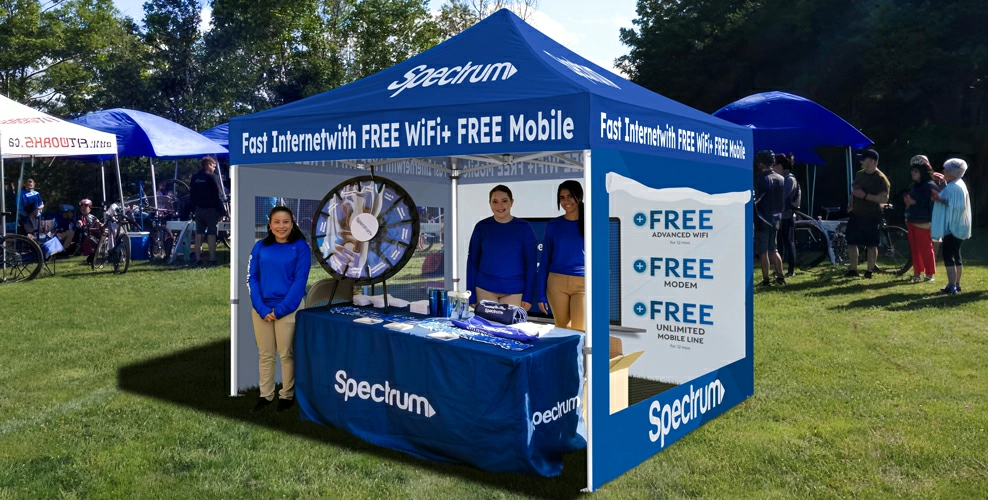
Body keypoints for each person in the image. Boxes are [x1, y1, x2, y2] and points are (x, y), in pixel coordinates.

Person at [247, 206, 311, 413]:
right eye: (277, 222)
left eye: (285, 222)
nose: (281, 226)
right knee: (265, 355)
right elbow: (252, 278)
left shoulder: (301, 247)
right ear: (270, 225)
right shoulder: (259, 247)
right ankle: (265, 396)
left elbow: (300, 282)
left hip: (288, 309)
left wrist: (281, 310)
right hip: (262, 310)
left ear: (292, 224)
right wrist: (261, 308)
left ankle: (287, 395)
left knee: (286, 355)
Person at [466, 185, 537, 309]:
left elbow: (531, 264)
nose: (499, 206)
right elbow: (472, 261)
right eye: (495, 202)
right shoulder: (481, 227)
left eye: (504, 201)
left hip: (514, 290)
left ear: (512, 202)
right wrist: (470, 293)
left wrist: (528, 295)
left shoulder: (525, 228)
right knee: (486, 328)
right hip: (485, 288)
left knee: (510, 328)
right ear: (490, 204)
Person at [536, 180, 586, 331]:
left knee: (579, 331)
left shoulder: (591, 222)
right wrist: (540, 294)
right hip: (556, 284)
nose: (566, 201)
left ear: (579, 196)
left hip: (583, 284)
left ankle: (580, 356)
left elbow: (602, 258)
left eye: (570, 196)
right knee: (561, 330)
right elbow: (544, 260)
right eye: (562, 197)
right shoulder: (553, 225)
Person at [844, 149, 890, 278]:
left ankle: (869, 271)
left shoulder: (881, 178)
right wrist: (851, 204)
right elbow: (855, 191)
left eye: (865, 159)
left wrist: (865, 196)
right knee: (851, 241)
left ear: (874, 161)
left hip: (872, 214)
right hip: (856, 213)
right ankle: (853, 269)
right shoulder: (859, 174)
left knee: (871, 244)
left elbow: (884, 198)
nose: (862, 162)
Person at [930, 159, 971, 295]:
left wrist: (939, 199)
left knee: (949, 256)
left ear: (952, 173)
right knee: (956, 255)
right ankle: (956, 284)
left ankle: (952, 285)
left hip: (953, 227)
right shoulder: (958, 184)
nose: (943, 172)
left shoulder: (953, 187)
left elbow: (956, 206)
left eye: (946, 170)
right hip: (959, 226)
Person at [901, 156, 939, 283]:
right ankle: (917, 273)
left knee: (926, 248)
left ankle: (929, 274)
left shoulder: (929, 185)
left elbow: (931, 202)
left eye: (916, 171)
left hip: (923, 221)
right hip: (912, 220)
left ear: (922, 172)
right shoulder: (915, 186)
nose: (913, 173)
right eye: (912, 171)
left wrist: (913, 202)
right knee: (915, 249)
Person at [753, 150, 786, 286]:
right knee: (774, 249)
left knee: (763, 251)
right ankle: (780, 277)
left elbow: (756, 200)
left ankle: (766, 279)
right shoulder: (781, 178)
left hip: (762, 218)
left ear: (761, 163)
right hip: (776, 219)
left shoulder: (761, 179)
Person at [188, 156, 227, 266]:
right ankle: (212, 257)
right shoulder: (213, 177)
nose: (214, 168)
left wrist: (192, 209)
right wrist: (222, 211)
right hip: (210, 209)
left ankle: (198, 257)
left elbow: (192, 195)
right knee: (211, 232)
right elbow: (217, 195)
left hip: (198, 209)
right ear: (208, 165)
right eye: (213, 166)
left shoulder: (195, 177)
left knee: (199, 232)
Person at [773, 153, 801, 277]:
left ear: (780, 166)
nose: (773, 168)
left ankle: (791, 269)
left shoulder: (789, 179)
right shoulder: (783, 179)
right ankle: (779, 268)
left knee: (788, 242)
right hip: (780, 215)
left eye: (774, 165)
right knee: (780, 243)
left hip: (787, 216)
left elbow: (784, 198)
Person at [76, 199, 103, 264]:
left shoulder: (93, 218)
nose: (83, 208)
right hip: (82, 239)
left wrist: (102, 226)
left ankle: (95, 255)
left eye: (85, 206)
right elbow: (79, 225)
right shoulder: (78, 217)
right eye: (82, 207)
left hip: (91, 237)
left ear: (90, 208)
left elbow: (99, 225)